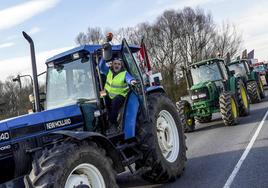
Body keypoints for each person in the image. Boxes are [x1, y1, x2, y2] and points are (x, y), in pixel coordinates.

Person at [99, 57, 136, 135]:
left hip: (120, 95)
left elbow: (129, 78)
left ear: (121, 65)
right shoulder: (108, 72)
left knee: (115, 102)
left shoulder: (124, 73)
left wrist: (132, 81)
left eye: (119, 64)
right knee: (99, 99)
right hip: (108, 93)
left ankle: (113, 124)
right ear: (112, 64)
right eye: (115, 63)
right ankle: (102, 123)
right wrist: (104, 56)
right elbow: (101, 66)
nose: (117, 65)